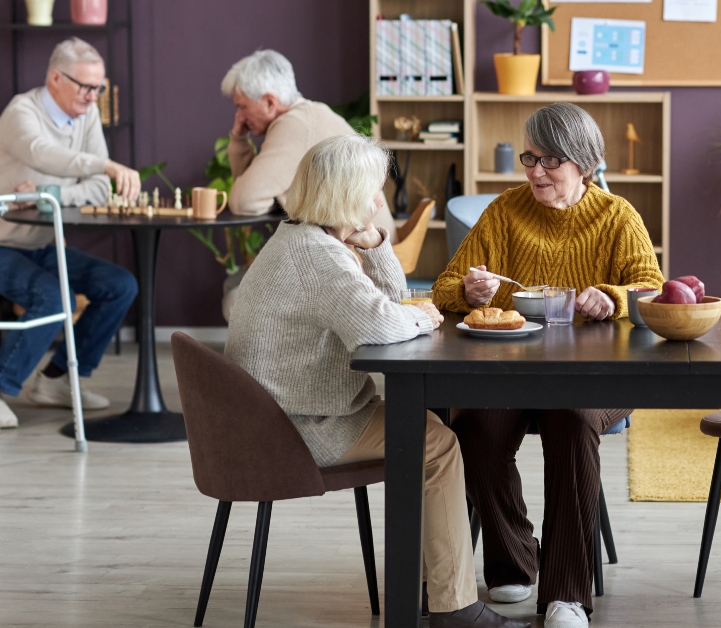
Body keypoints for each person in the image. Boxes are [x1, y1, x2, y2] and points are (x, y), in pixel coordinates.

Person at [225, 135, 526, 628]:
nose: (376, 203)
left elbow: (388, 302)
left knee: (429, 432)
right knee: (440, 445)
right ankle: (456, 609)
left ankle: (436, 588)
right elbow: (384, 324)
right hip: (302, 428)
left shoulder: (303, 240)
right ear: (346, 195)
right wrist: (427, 319)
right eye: (372, 193)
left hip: (280, 417)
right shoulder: (318, 257)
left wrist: (379, 244)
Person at [433, 103, 663, 628]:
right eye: (530, 157)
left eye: (551, 160)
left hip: (598, 376)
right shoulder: (504, 212)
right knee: (472, 424)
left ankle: (567, 594)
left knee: (572, 419)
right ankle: (514, 558)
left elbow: (650, 289)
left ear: (583, 163)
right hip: (511, 370)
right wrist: (469, 290)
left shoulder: (616, 216)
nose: (536, 171)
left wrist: (612, 297)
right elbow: (445, 286)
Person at [0, 37, 139, 429]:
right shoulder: (20, 113)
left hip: (40, 244)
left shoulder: (86, 114)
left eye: (99, 87)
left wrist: (47, 193)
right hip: (2, 243)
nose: (93, 97)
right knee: (53, 295)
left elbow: (97, 188)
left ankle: (55, 381)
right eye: (86, 86)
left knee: (120, 284)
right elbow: (41, 153)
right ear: (56, 78)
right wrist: (105, 165)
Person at [220, 49, 393, 234]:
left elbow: (244, 202)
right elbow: (246, 192)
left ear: (270, 102)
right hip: (369, 246)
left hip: (363, 254)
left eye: (242, 107)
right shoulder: (308, 115)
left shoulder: (295, 125)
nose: (239, 116)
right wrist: (239, 140)